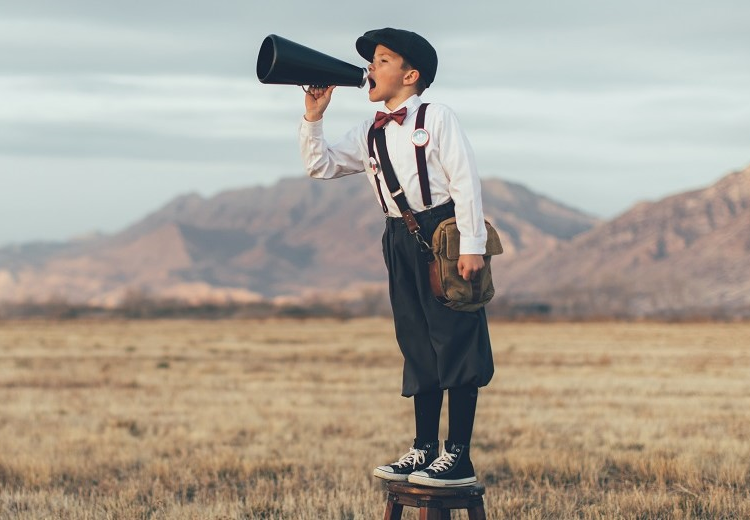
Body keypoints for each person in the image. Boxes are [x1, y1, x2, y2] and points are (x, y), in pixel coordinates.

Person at [299, 28, 494, 487]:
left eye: (382, 60)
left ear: (410, 75)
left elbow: (465, 179)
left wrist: (472, 247)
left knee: (456, 340)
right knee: (417, 341)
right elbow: (320, 165)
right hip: (399, 238)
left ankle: (458, 456)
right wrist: (313, 118)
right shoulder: (369, 129)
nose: (370, 67)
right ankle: (424, 449)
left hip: (444, 232)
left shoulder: (437, 115)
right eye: (372, 60)